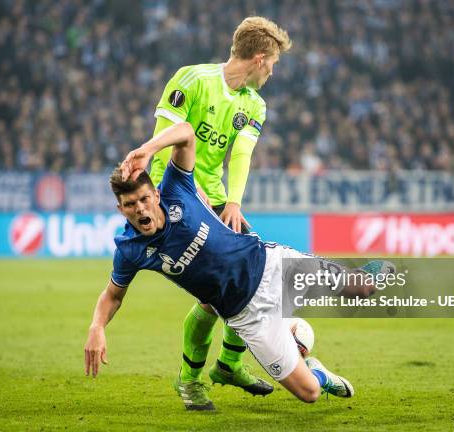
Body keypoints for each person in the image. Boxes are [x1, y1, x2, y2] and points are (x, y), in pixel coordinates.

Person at [84, 122, 392, 406]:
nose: (140, 210)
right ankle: (313, 367)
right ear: (120, 209)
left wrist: (148, 150)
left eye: (143, 199)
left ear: (155, 193)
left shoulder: (177, 188)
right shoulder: (130, 249)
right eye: (130, 205)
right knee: (310, 393)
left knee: (362, 288)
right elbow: (113, 295)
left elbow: (187, 132)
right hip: (246, 316)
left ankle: (358, 283)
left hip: (271, 267)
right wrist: (97, 327)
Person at [146, 17, 292, 409]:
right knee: (217, 296)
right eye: (274, 63)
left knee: (253, 278)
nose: (273, 72)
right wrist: (176, 193)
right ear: (260, 58)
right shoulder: (192, 79)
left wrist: (233, 203)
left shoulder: (253, 104)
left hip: (214, 200)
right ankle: (191, 381)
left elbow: (241, 153)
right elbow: (162, 141)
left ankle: (227, 364)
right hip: (173, 196)